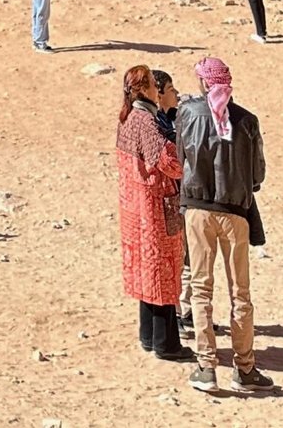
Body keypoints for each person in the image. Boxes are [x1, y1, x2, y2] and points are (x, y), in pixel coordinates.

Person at [176, 56, 274, 396]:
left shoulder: (187, 113)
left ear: (204, 83)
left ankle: (207, 367)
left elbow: (180, 160)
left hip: (198, 210)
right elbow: (257, 174)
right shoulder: (247, 120)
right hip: (235, 212)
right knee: (240, 293)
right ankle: (244, 368)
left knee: (201, 289)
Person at [115, 65, 190, 363]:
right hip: (155, 207)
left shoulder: (127, 118)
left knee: (146, 272)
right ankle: (166, 344)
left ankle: (148, 337)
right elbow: (168, 161)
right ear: (146, 89)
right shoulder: (146, 122)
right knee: (163, 272)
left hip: (134, 207)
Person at [152, 67, 192, 334]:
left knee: (188, 256)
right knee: (176, 258)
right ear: (158, 95)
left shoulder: (174, 118)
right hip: (171, 197)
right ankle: (177, 312)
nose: (176, 93)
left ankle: (186, 310)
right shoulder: (156, 127)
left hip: (184, 196)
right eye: (171, 89)